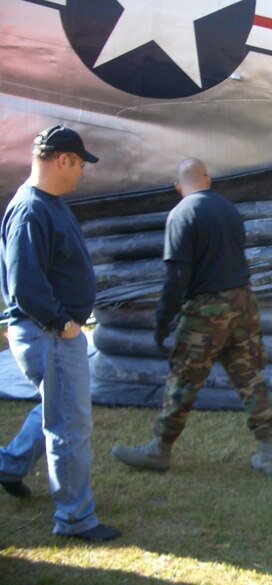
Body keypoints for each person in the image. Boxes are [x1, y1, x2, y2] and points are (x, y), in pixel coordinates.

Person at [111, 158, 272, 479]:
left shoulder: (182, 214)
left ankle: (160, 450)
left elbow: (177, 274)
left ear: (178, 186)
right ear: (208, 179)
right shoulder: (229, 210)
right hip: (242, 301)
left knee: (185, 379)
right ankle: (269, 454)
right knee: (248, 375)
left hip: (207, 309)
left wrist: (163, 319)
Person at [0, 125, 120, 541]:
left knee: (55, 407)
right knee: (69, 425)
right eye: (81, 163)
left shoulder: (49, 203)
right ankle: (75, 519)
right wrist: (63, 325)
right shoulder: (32, 210)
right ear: (62, 160)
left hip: (52, 332)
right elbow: (24, 284)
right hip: (47, 333)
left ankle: (9, 465)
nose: (83, 171)